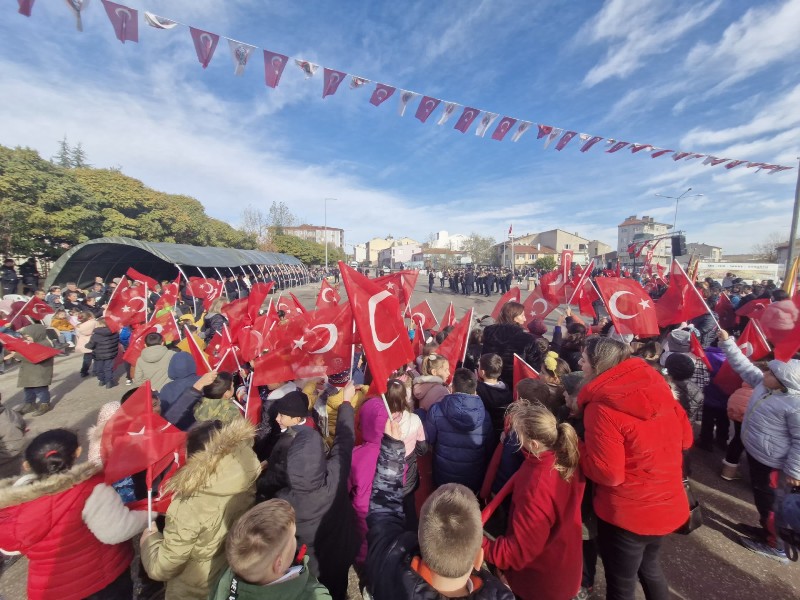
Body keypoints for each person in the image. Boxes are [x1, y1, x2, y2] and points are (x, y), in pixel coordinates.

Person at [578, 336, 692, 600]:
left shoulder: (602, 407)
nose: (580, 364)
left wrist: (578, 447)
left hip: (629, 513)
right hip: (668, 501)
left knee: (621, 584)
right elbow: (686, 438)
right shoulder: (658, 387)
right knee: (650, 569)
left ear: (598, 365)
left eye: (584, 359)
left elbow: (609, 473)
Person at [364, 419, 514, 600]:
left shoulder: (389, 560)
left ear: (421, 538)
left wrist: (392, 449)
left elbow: (383, 513)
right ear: (478, 559)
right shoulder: (500, 594)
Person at [0, 428, 150, 600]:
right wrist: (149, 514)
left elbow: (9, 548)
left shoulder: (14, 504)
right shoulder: (90, 489)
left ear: (26, 465)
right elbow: (116, 531)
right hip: (100, 582)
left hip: (47, 590)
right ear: (78, 452)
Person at [140, 418, 261, 600]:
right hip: (228, 570)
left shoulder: (190, 505)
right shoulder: (245, 467)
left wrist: (149, 540)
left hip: (195, 587)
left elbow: (163, 568)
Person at [483, 402, 585, 600]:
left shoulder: (537, 484)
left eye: (519, 436)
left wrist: (480, 545)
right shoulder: (563, 456)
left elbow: (518, 552)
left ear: (534, 444)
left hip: (540, 583)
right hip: (563, 565)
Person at [717, 329, 800, 561]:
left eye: (771, 372)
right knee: (763, 500)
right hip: (757, 455)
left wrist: (795, 470)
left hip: (774, 465)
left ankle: (779, 547)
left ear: (784, 382)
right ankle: (767, 532)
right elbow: (743, 366)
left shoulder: (795, 404)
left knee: (772, 504)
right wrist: (727, 343)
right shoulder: (765, 385)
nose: (765, 373)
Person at [274, 384, 358, 600]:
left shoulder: (281, 502)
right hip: (340, 553)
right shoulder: (335, 478)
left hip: (309, 565)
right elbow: (344, 442)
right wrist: (346, 403)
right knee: (338, 589)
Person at [209, 499, 331, 600]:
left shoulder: (225, 579)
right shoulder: (314, 595)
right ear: (279, 564)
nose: (296, 539)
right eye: (293, 536)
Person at [424, 368, 493, 493]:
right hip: (472, 478)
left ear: (453, 387)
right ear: (475, 389)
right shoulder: (485, 416)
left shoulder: (436, 410)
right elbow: (489, 448)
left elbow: (430, 439)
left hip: (443, 475)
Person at [349, 395, 390, 567]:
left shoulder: (356, 455)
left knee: (364, 544)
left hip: (362, 515)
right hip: (388, 512)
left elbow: (346, 487)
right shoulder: (395, 454)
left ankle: (364, 568)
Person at [257, 391, 310, 501]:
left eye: (281, 415)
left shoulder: (291, 443)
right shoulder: (297, 430)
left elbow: (279, 477)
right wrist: (267, 461)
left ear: (296, 419)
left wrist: (260, 484)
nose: (277, 418)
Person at [481, 301, 539, 388]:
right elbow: (534, 367)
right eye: (522, 315)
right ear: (514, 318)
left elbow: (484, 355)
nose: (525, 319)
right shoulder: (527, 339)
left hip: (491, 381)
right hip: (516, 384)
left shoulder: (489, 332)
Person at [8, 324, 55, 417]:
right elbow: (26, 354)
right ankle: (29, 404)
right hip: (29, 372)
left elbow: (35, 357)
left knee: (40, 390)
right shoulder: (33, 343)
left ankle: (44, 404)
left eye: (29, 336)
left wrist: (16, 355)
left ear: (37, 334)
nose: (27, 339)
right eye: (25, 337)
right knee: (28, 389)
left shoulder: (45, 344)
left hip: (39, 372)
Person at [476, 353, 513, 438]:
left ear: (482, 372)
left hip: (484, 431)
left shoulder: (479, 390)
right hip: (501, 430)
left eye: (479, 366)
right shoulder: (506, 388)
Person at [85, 317, 119, 389]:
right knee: (108, 368)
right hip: (110, 354)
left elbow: (91, 345)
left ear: (100, 324)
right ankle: (109, 382)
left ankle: (101, 380)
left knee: (99, 368)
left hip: (98, 354)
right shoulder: (115, 332)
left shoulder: (96, 335)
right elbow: (116, 342)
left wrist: (87, 346)